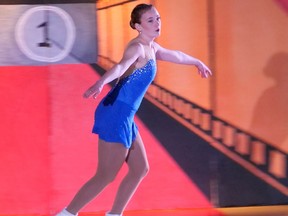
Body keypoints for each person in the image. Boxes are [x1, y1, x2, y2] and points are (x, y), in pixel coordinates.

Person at [56, 3, 212, 216]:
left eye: (157, 18)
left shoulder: (153, 48)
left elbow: (175, 55)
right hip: (116, 113)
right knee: (106, 175)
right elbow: (120, 66)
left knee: (140, 169)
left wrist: (197, 62)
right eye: (150, 20)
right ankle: (66, 214)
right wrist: (101, 82)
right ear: (138, 26)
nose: (157, 23)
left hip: (124, 115)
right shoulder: (137, 48)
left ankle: (114, 214)